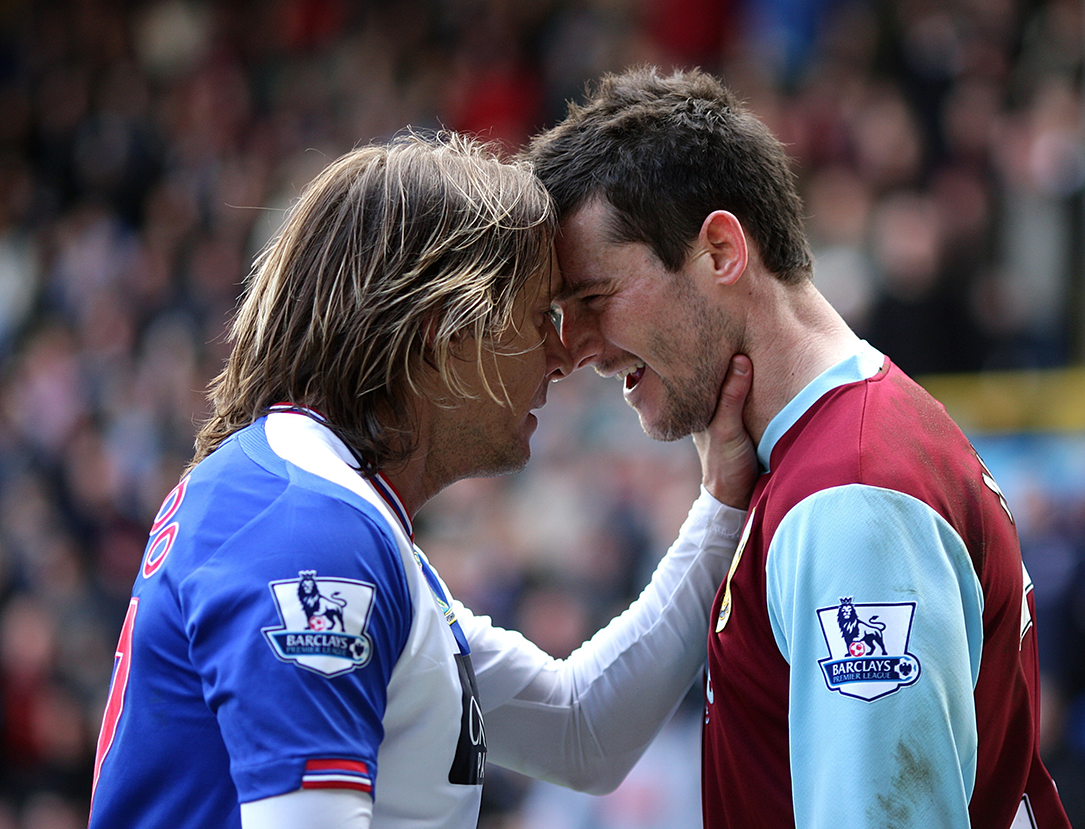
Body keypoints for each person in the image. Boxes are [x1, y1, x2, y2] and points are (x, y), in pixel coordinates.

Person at [87, 132, 757, 829]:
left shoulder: (319, 504)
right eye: (539, 319)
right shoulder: (310, 527)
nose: (563, 355)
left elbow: (580, 730)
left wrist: (721, 504)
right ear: (447, 329)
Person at [525, 67, 1072, 828]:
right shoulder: (841, 443)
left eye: (591, 299)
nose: (578, 346)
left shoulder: (848, 491)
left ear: (719, 250)